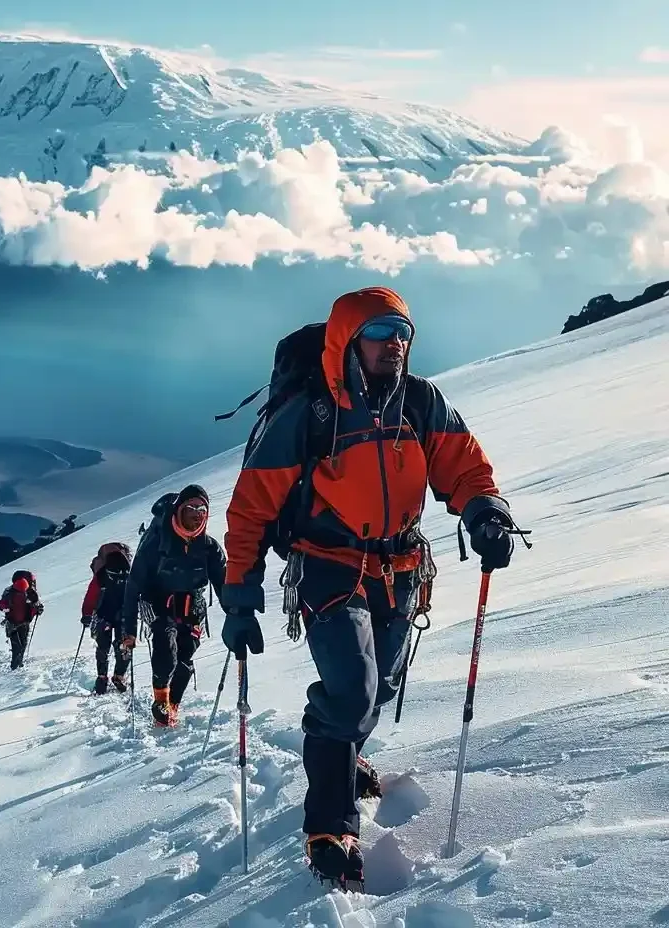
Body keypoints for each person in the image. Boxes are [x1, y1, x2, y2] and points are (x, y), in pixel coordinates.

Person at [219, 286, 519, 890]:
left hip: (401, 568)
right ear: (350, 344)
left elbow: (461, 466)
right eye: (382, 335)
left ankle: (340, 748)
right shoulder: (312, 413)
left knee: (377, 686)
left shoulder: (420, 401)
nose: (396, 346)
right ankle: (330, 826)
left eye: (403, 334)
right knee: (353, 690)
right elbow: (252, 509)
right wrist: (240, 597)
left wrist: (484, 509)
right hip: (328, 568)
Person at [122, 485, 225, 728]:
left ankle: (172, 706)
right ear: (179, 509)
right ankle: (161, 705)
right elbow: (133, 586)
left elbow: (224, 583)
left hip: (193, 607)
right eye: (191, 508)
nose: (197, 514)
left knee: (185, 657)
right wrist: (128, 630)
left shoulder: (209, 548)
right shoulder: (155, 543)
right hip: (158, 603)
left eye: (202, 509)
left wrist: (237, 613)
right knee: (166, 653)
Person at [80, 543, 133, 694]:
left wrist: (87, 614)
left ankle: (102, 677)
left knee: (103, 646)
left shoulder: (101, 575)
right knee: (124, 646)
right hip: (124, 615)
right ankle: (119, 676)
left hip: (103, 614)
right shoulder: (130, 574)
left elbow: (91, 596)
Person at [0, 572, 43, 670]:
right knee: (19, 645)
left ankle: (17, 665)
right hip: (18, 623)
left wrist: (5, 608)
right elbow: (35, 606)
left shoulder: (10, 592)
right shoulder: (29, 592)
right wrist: (38, 610)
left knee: (21, 644)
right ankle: (15, 666)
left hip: (14, 623)